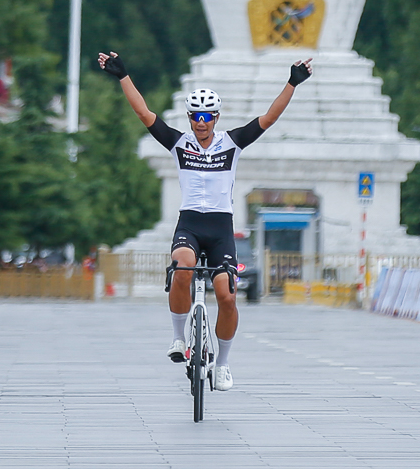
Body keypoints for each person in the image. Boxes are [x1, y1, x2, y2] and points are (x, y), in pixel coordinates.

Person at [99, 50, 312, 391]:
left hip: (220, 229)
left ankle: (223, 365)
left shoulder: (233, 142)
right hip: (190, 225)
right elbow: (143, 112)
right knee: (181, 268)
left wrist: (291, 83)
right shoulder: (178, 143)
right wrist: (123, 75)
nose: (201, 122)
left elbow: (269, 118)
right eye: (195, 116)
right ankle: (178, 338)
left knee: (227, 296)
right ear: (189, 118)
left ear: (216, 118)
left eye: (207, 117)